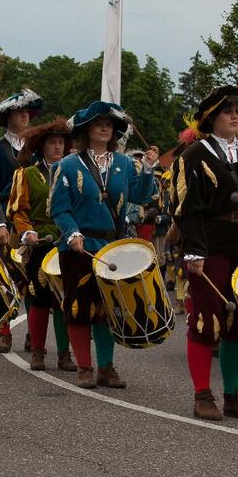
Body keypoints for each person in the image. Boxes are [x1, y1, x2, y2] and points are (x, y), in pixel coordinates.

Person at [169, 87, 238, 421]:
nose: (235, 115)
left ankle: (233, 394)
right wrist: (193, 251)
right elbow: (186, 208)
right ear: (211, 117)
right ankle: (202, 394)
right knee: (205, 321)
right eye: (227, 110)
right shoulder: (194, 155)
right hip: (207, 246)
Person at [49, 101, 159, 392]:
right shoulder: (67, 165)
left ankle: (106, 367)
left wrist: (148, 169)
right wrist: (71, 233)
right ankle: (84, 367)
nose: (104, 127)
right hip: (78, 245)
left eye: (109, 123)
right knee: (79, 307)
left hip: (113, 245)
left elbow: (140, 195)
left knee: (109, 309)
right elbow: (58, 209)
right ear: (86, 129)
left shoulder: (125, 164)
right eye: (98, 122)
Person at [7, 116, 77, 372]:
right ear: (42, 147)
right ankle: (37, 352)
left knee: (65, 301)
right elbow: (18, 211)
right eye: (52, 143)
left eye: (61, 142)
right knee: (39, 299)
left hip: (66, 244)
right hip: (39, 245)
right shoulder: (26, 175)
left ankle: (64, 354)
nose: (58, 147)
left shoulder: (74, 172)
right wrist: (27, 233)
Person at [0, 89, 44, 353]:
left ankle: (33, 332)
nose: (25, 117)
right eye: (19, 113)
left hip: (32, 219)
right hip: (5, 221)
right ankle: (5, 332)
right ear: (7, 118)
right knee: (5, 277)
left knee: (33, 278)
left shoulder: (37, 147)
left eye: (27, 113)